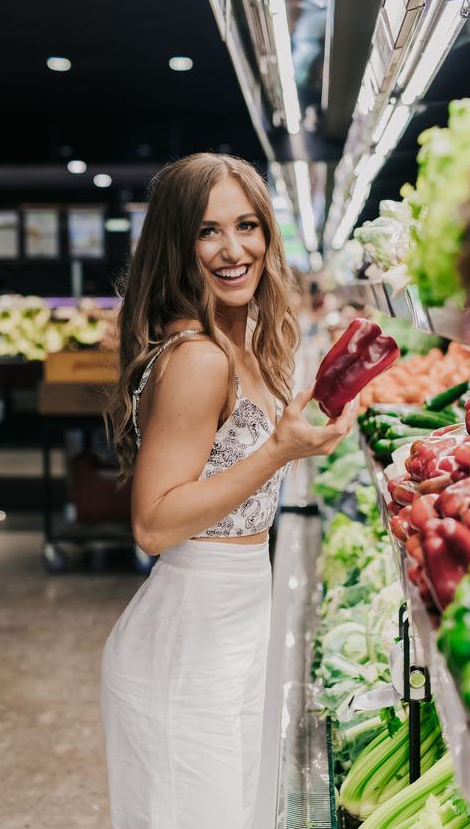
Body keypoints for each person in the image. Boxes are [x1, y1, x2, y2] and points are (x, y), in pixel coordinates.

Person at [99, 153, 357, 829]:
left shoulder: (239, 343)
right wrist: (279, 450)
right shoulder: (199, 358)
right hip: (189, 640)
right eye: (207, 231)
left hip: (240, 619)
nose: (233, 248)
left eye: (247, 225)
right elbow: (153, 525)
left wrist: (302, 433)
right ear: (176, 245)